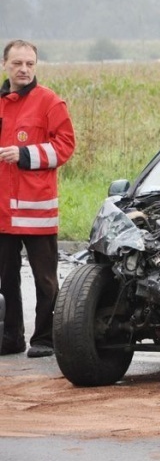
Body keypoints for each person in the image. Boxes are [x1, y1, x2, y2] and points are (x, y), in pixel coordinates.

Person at [0, 40, 76, 357]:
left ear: (36, 66)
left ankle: (44, 338)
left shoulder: (50, 103)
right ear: (5, 64)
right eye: (17, 63)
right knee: (6, 280)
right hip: (2, 211)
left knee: (45, 280)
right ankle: (11, 337)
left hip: (36, 210)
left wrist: (25, 154)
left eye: (30, 64)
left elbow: (66, 146)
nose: (24, 69)